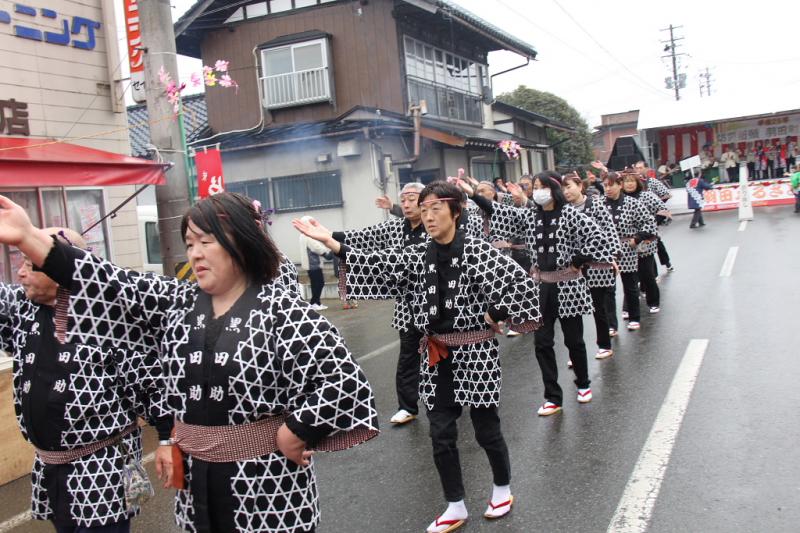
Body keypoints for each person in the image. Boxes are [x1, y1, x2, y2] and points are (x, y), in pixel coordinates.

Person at [0, 192, 379, 533]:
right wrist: (28, 237)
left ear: (242, 243)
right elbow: (111, 281)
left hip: (268, 484)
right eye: (189, 243)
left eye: (206, 242)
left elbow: (343, 382)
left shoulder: (284, 311)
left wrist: (296, 430)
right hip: (199, 483)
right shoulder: (179, 303)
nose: (195, 253)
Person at [293, 181, 541, 533]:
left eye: (435, 208)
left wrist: (496, 312)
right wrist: (332, 243)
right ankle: (455, 504)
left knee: (486, 428)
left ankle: (502, 488)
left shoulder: (477, 250)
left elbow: (520, 284)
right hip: (437, 352)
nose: (428, 216)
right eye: (424, 210)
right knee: (441, 432)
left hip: (476, 350)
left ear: (456, 211)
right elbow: (381, 264)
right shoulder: (419, 253)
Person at [0, 227, 171, 533]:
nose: (21, 273)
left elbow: (152, 384)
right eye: (21, 263)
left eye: (30, 264)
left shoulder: (107, 318)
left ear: (61, 268)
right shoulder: (24, 308)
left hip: (102, 467)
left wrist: (167, 439)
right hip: (50, 465)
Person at [487, 171, 615, 415]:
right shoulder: (531, 216)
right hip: (541, 287)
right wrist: (474, 194)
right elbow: (502, 213)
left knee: (574, 340)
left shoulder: (569, 214)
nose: (538, 191)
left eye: (542, 186)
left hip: (568, 286)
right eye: (535, 187)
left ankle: (583, 383)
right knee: (542, 343)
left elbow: (598, 238)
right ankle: (553, 396)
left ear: (553, 189)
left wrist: (578, 260)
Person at [335, 183, 430, 426]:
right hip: (408, 306)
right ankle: (407, 407)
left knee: (446, 355)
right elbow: (362, 237)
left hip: (437, 303)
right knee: (408, 358)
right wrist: (326, 236)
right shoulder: (395, 227)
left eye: (412, 199)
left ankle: (451, 399)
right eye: (403, 200)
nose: (407, 204)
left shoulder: (435, 225)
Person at [562, 173, 620, 360]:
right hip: (572, 266)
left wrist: (612, 257)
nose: (566, 191)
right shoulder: (563, 210)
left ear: (580, 186)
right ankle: (576, 353)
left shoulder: (596, 205)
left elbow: (609, 231)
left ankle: (604, 345)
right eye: (562, 188)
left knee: (598, 307)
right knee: (572, 310)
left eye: (569, 186)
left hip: (597, 264)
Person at [602, 172, 658, 335]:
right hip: (606, 250)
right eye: (605, 185)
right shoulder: (599, 204)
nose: (608, 189)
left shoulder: (632, 203)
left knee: (630, 285)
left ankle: (634, 317)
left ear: (619, 185)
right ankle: (611, 324)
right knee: (607, 289)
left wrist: (638, 238)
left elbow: (650, 222)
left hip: (627, 247)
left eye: (611, 185)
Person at [621, 173, 663, 314]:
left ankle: (653, 302)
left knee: (647, 274)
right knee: (628, 278)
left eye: (632, 181)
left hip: (645, 243)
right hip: (627, 245)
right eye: (626, 181)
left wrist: (651, 228)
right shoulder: (619, 200)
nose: (629, 184)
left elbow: (663, 211)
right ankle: (628, 307)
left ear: (637, 182)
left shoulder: (647, 196)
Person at [299, 215, 332, 311]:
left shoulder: (302, 235)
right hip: (313, 264)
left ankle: (316, 302)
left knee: (316, 283)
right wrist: (326, 253)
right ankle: (314, 303)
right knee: (319, 283)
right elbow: (316, 247)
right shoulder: (307, 235)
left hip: (311, 264)